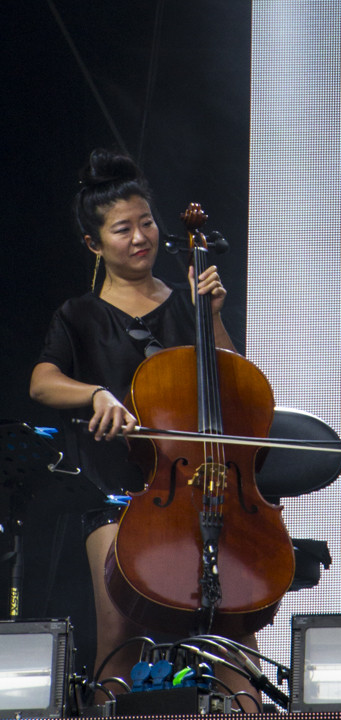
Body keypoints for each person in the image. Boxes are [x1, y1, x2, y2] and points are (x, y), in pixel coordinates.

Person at [29, 149, 263, 711]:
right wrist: (95, 393)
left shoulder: (189, 305)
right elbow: (41, 382)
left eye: (147, 222)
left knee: (235, 643)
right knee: (119, 643)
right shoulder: (79, 316)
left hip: (201, 494)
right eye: (122, 229)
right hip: (117, 497)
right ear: (94, 244)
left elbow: (237, 389)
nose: (141, 237)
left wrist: (210, 318)